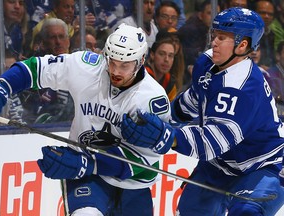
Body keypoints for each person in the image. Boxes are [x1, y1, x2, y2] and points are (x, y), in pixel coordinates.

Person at [121, 7, 284, 215]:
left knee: (247, 212)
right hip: (220, 165)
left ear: (242, 46)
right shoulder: (207, 62)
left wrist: (167, 136)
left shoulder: (243, 88)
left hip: (261, 165)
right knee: (191, 210)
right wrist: (161, 119)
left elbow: (211, 142)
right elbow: (193, 100)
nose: (214, 41)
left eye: (222, 38)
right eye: (214, 35)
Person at [0, 23, 171, 216]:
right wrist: (3, 86)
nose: (115, 71)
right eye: (111, 61)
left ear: (140, 61)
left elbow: (143, 162)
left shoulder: (152, 99)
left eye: (124, 65)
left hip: (133, 183)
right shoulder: (87, 66)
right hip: (87, 173)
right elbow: (37, 68)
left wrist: (88, 163)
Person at [178, 0, 220, 88]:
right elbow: (190, 60)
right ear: (200, 15)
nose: (214, 18)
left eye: (217, 14)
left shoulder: (216, 33)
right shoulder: (191, 30)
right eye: (209, 13)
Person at [145, 35, 177, 101]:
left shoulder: (170, 83)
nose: (166, 59)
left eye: (171, 56)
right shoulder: (142, 76)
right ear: (152, 55)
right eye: (162, 54)